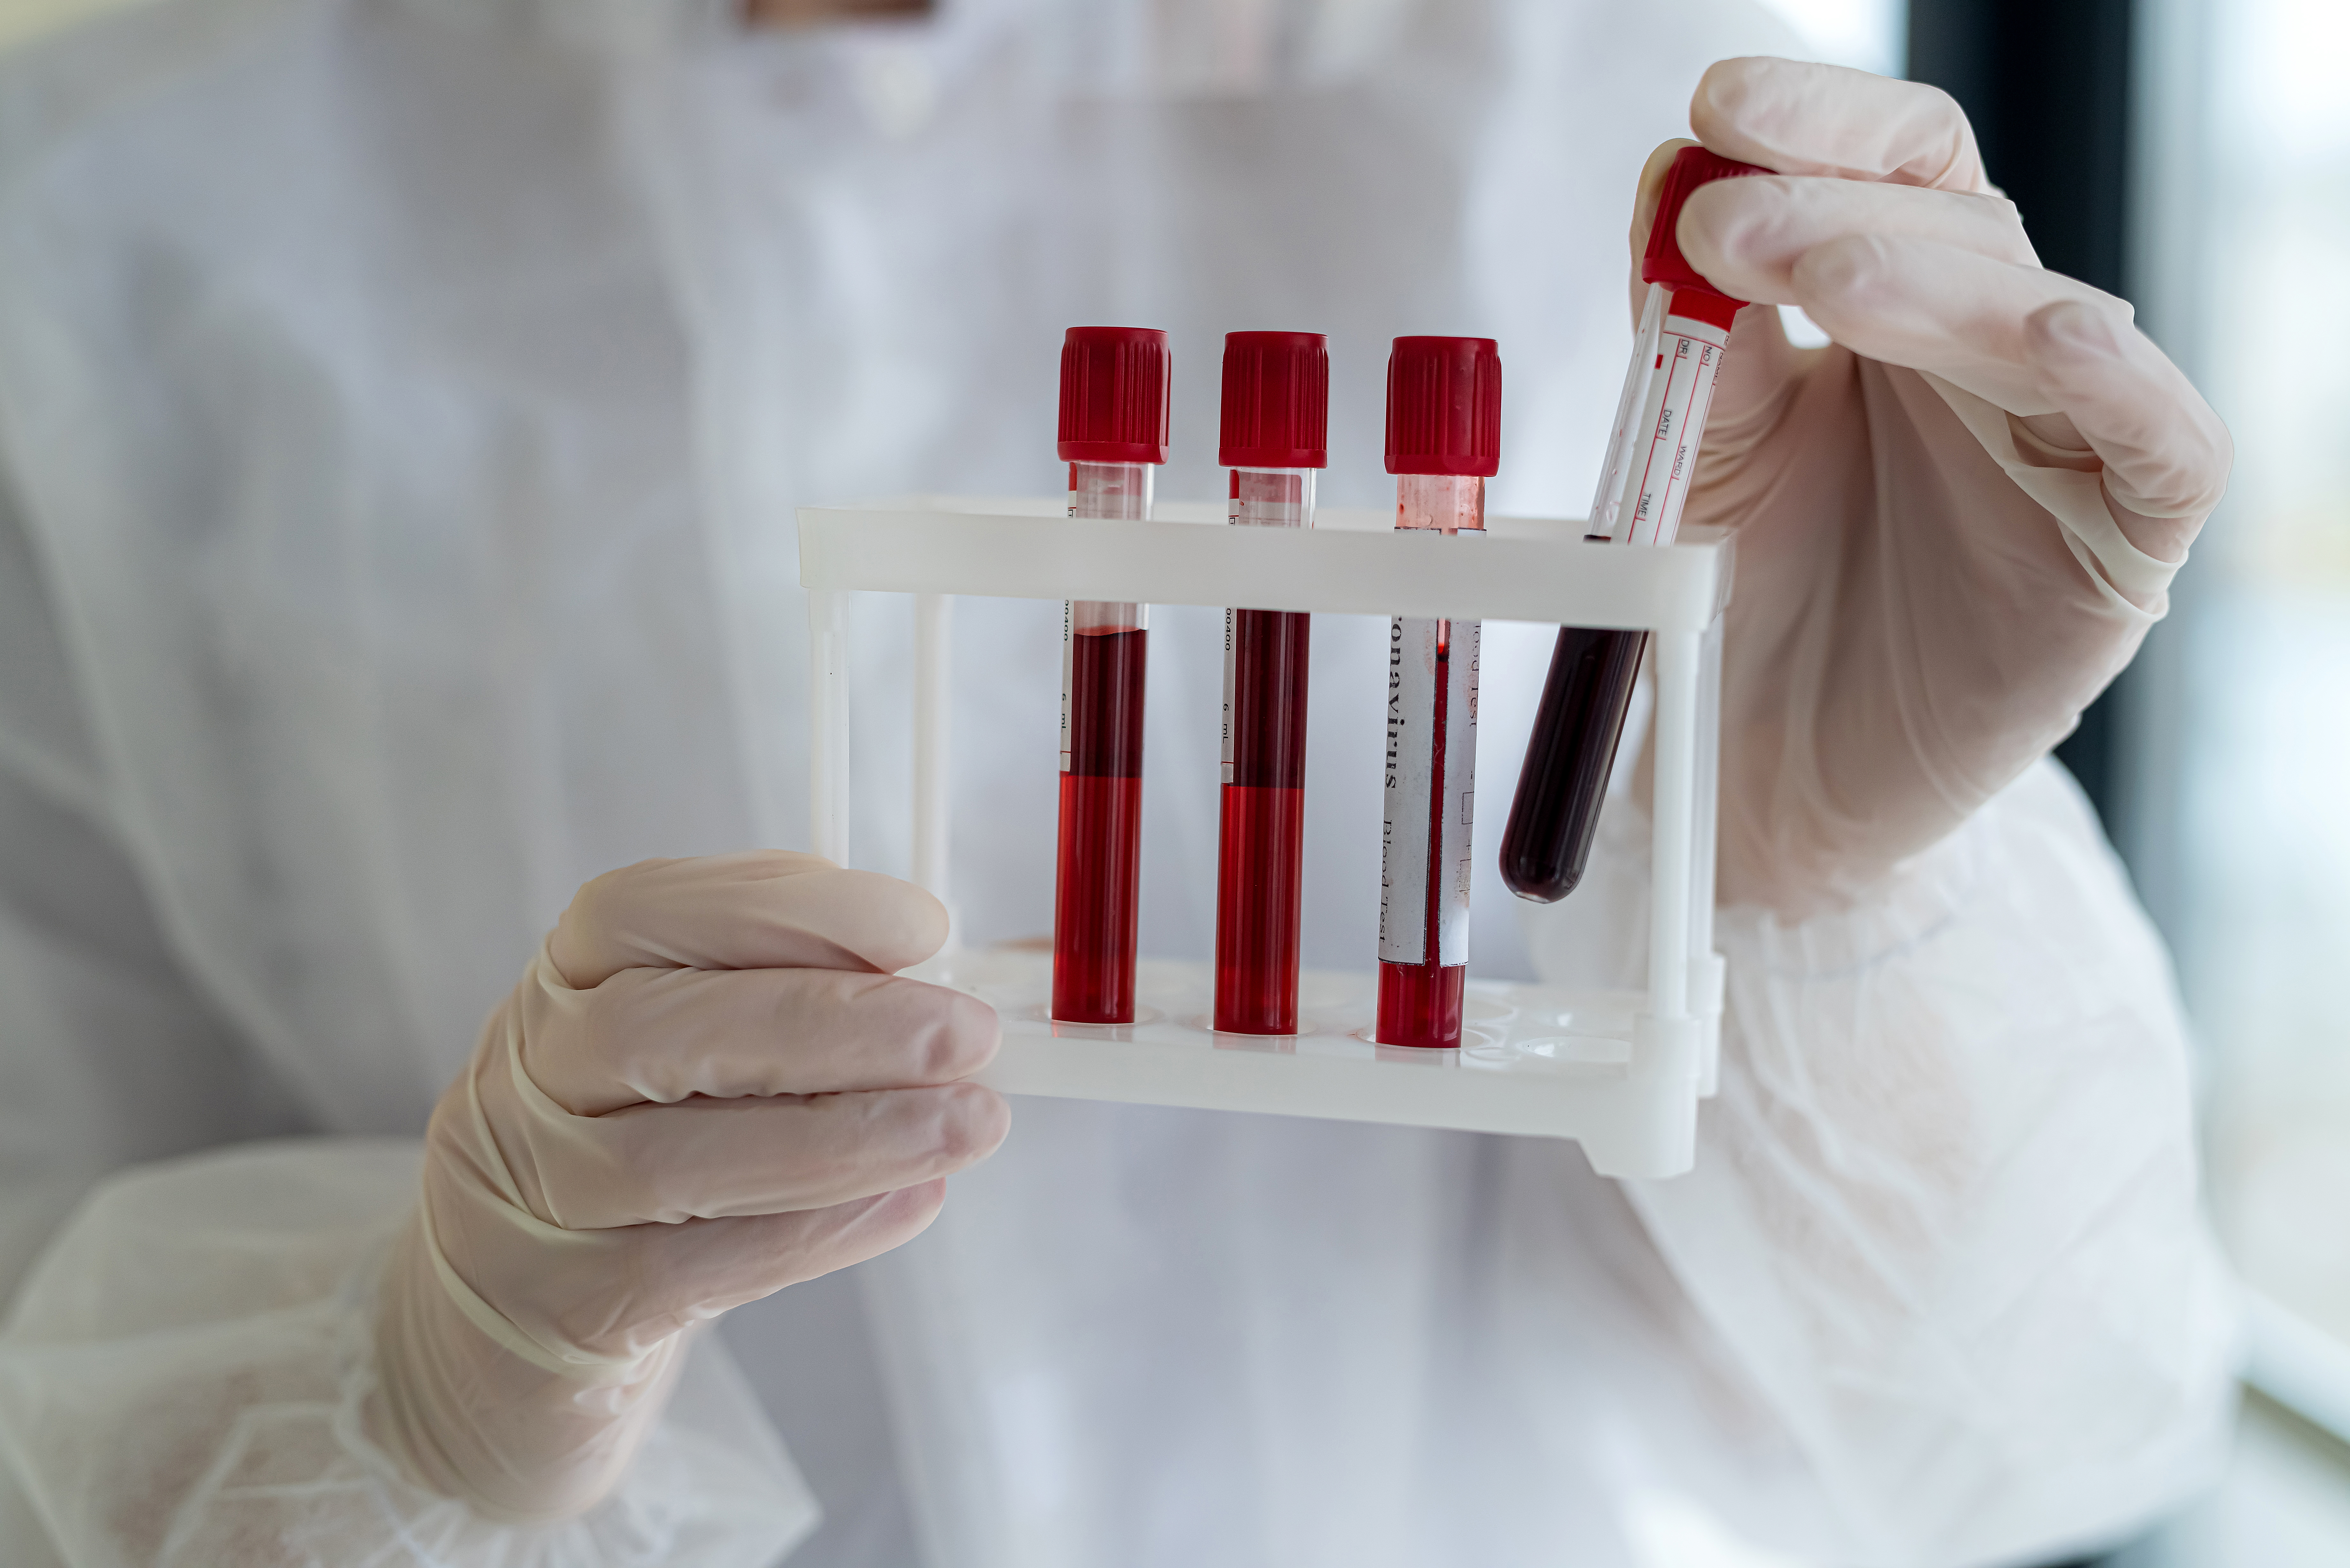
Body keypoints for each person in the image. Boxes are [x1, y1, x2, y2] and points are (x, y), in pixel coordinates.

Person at [0, 1, 2237, 1564]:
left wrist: (1826, 897)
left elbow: (2006, 1441)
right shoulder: (113, 226)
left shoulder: (1650, 158)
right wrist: (418, 1400)